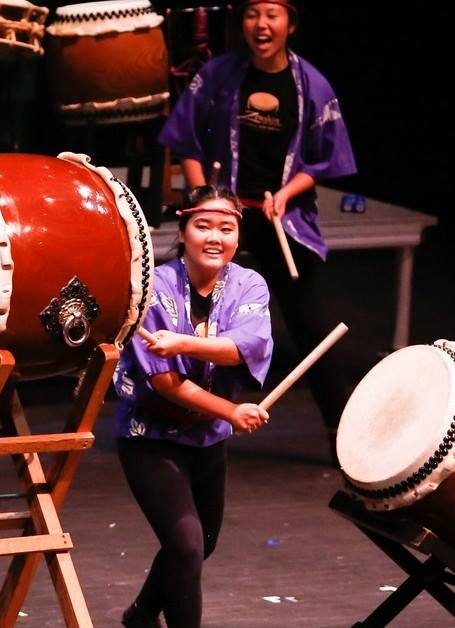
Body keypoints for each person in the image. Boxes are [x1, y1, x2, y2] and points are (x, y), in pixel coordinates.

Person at [158, 0, 355, 444]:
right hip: (224, 216)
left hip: (281, 216)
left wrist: (286, 193)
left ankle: (339, 431)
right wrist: (206, 204)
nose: (261, 24)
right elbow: (187, 140)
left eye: (272, 14)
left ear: (290, 23)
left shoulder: (312, 84)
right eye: (252, 14)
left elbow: (322, 158)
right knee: (188, 309)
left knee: (310, 325)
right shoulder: (219, 75)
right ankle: (177, 412)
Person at [114, 187, 272, 628]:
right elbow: (165, 382)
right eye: (203, 226)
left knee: (203, 542)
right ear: (183, 231)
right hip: (151, 436)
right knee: (185, 544)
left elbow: (244, 347)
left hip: (207, 437)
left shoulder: (249, 284)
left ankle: (142, 613)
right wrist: (231, 411)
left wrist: (182, 343)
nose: (215, 237)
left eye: (227, 228)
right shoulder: (152, 289)